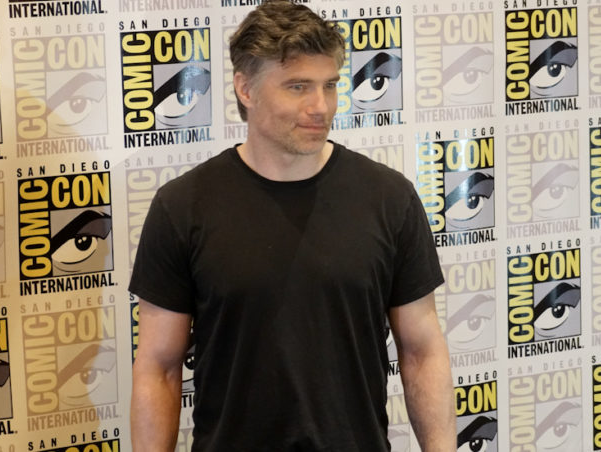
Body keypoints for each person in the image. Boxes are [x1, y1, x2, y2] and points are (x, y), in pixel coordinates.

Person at [129, 1, 455, 450]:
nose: (320, 106)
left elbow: (422, 351)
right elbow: (159, 368)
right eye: (298, 86)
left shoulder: (389, 198)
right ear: (246, 88)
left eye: (330, 85)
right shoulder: (182, 207)